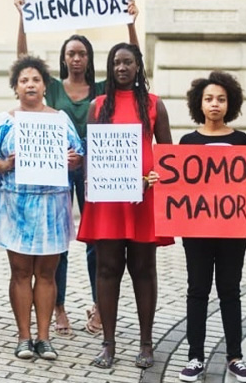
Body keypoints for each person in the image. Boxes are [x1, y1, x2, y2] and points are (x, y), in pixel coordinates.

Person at [13, 0, 140, 337]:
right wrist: (22, 16)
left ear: (89, 58)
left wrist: (131, 23)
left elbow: (136, 68)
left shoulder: (103, 87)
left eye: (82, 53)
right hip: (54, 171)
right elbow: (23, 60)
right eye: (71, 53)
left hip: (97, 171)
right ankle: (59, 306)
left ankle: (100, 306)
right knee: (59, 239)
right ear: (64, 58)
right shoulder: (51, 87)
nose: (76, 58)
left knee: (96, 239)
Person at [76, 43, 173, 369]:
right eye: (116, 62)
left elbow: (168, 155)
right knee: (107, 269)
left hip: (143, 200)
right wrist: (91, 186)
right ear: (110, 67)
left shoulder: (155, 105)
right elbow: (91, 154)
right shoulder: (98, 106)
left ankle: (146, 344)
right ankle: (108, 343)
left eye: (127, 62)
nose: (121, 68)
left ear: (137, 66)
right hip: (108, 202)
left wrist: (157, 177)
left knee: (144, 270)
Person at [157, 72, 246, 382]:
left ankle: (235, 357)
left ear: (231, 104)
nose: (215, 104)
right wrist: (159, 180)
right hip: (196, 231)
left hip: (232, 231)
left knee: (230, 291)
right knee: (197, 291)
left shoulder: (241, 140)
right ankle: (195, 357)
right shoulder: (188, 142)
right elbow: (177, 185)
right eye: (209, 98)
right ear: (199, 103)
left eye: (221, 99)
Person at [0, 56, 84, 361]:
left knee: (47, 273)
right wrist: (4, 164)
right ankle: (24, 337)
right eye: (24, 80)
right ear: (16, 87)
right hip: (16, 206)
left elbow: (78, 154)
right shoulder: (5, 120)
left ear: (45, 86)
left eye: (35, 80)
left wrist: (73, 161)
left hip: (52, 206)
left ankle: (44, 338)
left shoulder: (61, 119)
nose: (30, 84)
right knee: (21, 271)